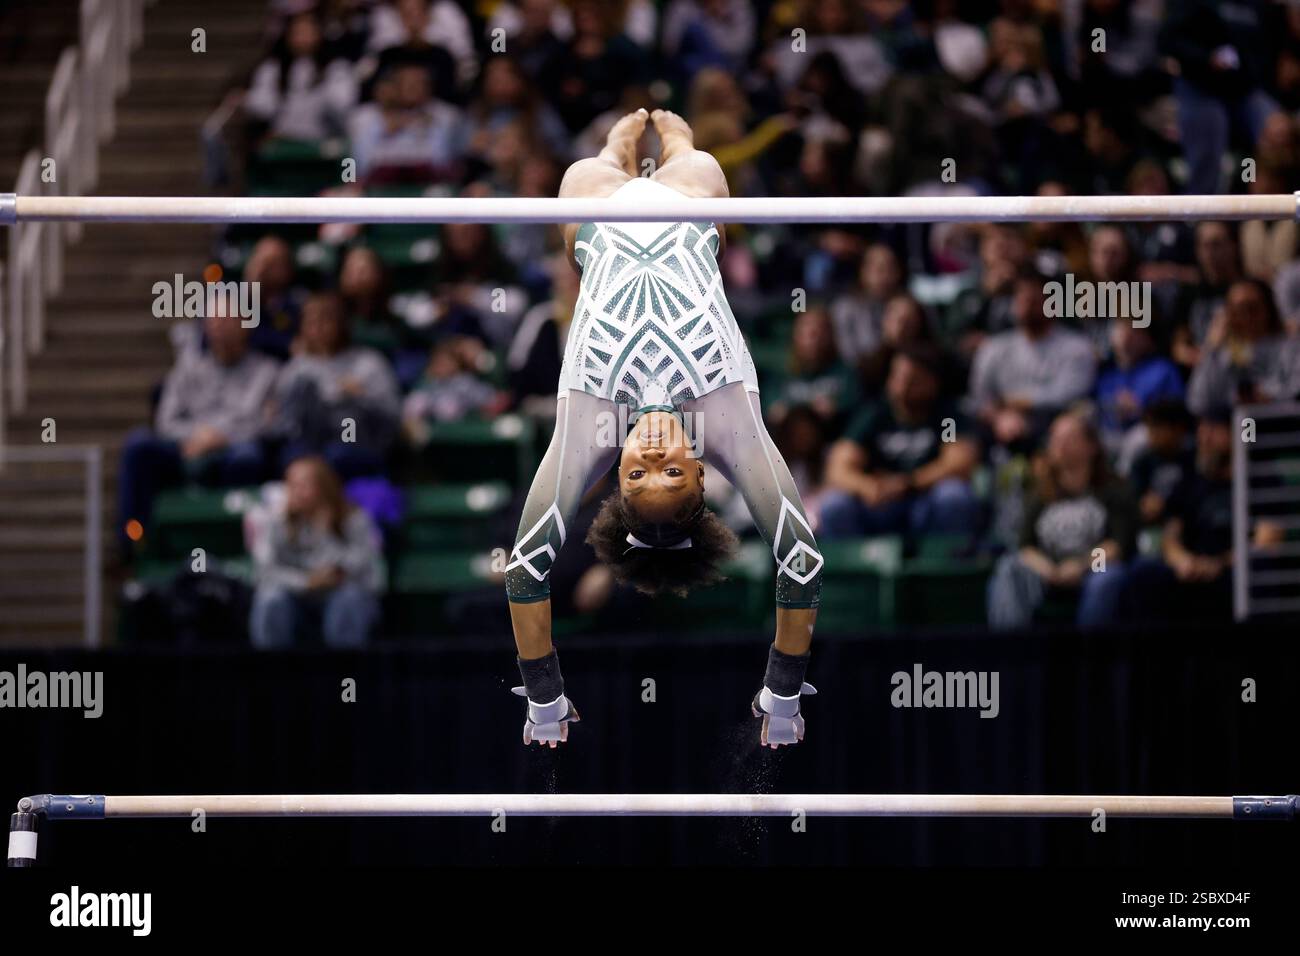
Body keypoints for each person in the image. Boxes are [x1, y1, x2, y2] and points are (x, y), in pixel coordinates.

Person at [505, 109, 822, 750]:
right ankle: (673, 137)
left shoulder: (590, 425)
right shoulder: (725, 417)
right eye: (672, 470)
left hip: (597, 222)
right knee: (691, 155)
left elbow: (524, 570)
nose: (652, 453)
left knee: (594, 166)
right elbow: (802, 562)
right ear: (703, 472)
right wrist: (783, 691)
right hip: (689, 210)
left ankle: (618, 144)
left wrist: (544, 696)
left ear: (614, 475)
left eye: (638, 472)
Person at [118, 310, 278, 551]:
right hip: (187, 445)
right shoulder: (186, 370)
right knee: (138, 445)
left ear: (245, 326)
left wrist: (220, 437)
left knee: (248, 457)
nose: (220, 328)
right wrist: (197, 436)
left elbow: (266, 424)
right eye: (214, 322)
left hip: (235, 447)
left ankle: (240, 544)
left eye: (227, 320)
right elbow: (166, 421)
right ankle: (135, 543)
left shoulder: (267, 371)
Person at [986, 410, 1137, 631]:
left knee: (1107, 578)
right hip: (1049, 571)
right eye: (1054, 437)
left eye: (1068, 438)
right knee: (1009, 568)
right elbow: (1025, 546)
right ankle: (1014, 654)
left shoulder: (1114, 489)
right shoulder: (1039, 491)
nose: (1058, 444)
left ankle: (1088, 657)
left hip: (1094, 568)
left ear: (1091, 446)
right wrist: (1049, 570)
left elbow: (1116, 546)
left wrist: (1081, 566)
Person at [821, 345, 980, 542]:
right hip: (880, 503)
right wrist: (866, 487)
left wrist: (908, 483)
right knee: (834, 505)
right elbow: (838, 468)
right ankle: (852, 570)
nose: (903, 386)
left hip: (925, 500)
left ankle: (948, 566)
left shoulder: (946, 417)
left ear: (932, 382)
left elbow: (958, 464)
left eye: (913, 379)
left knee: (953, 496)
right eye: (898, 377)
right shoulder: (874, 416)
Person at [250, 456, 383, 648]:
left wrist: (325, 534)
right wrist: (306, 582)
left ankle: (346, 672)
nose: (296, 492)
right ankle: (273, 672)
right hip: (295, 599)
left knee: (349, 598)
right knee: (270, 599)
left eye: (304, 486)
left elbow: (364, 570)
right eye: (291, 485)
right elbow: (264, 572)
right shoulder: (274, 520)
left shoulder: (355, 519)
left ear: (325, 488)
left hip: (342, 596)